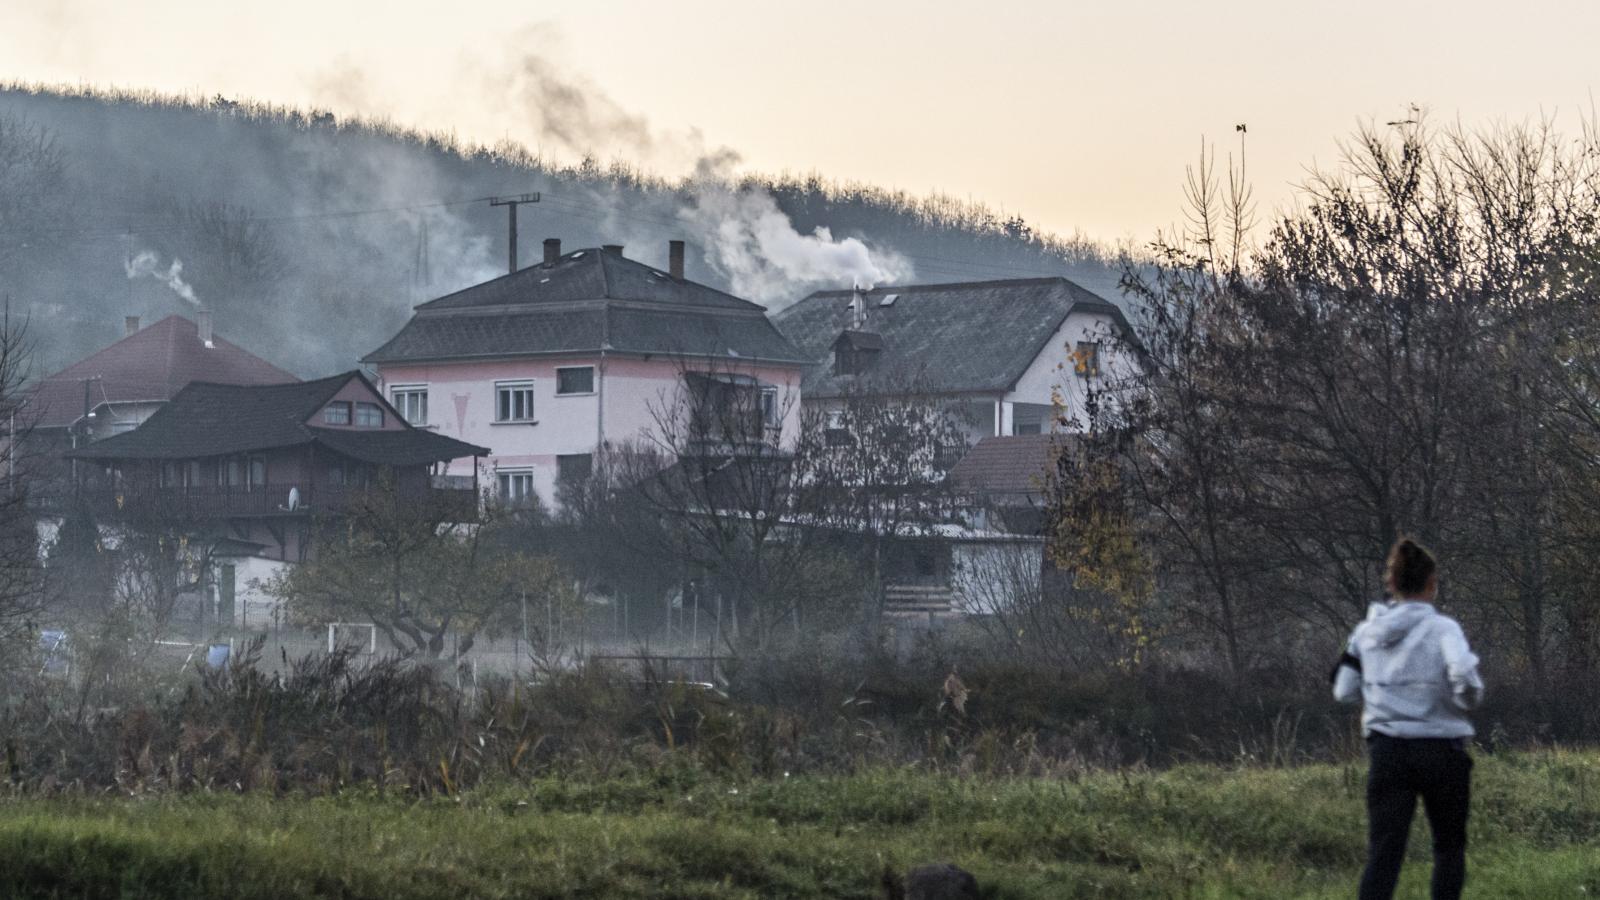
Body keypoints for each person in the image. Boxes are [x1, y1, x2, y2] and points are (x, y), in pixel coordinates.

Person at [1332, 536, 1484, 900]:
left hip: (1388, 752)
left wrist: (1383, 695)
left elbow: (1342, 690)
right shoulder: (1444, 628)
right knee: (1448, 848)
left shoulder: (1365, 634)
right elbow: (1464, 675)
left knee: (1384, 853)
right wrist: (1466, 700)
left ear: (1392, 584)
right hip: (1442, 750)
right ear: (1432, 583)